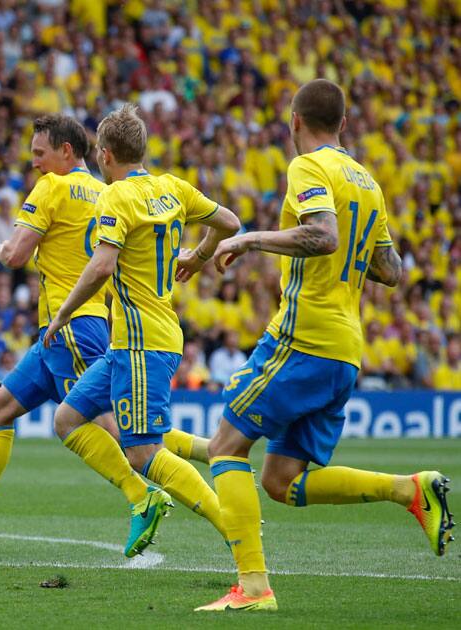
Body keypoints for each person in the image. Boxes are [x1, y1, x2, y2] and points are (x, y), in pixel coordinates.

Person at [196, 80, 454, 612]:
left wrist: (248, 239)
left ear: (295, 121)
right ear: (344, 122)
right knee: (281, 480)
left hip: (303, 337)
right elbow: (392, 270)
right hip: (345, 349)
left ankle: (252, 588)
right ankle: (409, 491)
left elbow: (325, 236)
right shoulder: (368, 182)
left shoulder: (308, 166)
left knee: (225, 448)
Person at [0, 114, 213, 547]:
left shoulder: (52, 187)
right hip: (79, 325)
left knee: (114, 426)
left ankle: (159, 483)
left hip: (70, 325)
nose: (34, 163)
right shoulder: (105, 190)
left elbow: (15, 254)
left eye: (40, 153)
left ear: (67, 151)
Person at [37, 104, 241, 555]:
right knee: (68, 419)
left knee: (144, 452)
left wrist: (63, 312)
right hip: (131, 342)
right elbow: (228, 223)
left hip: (143, 343)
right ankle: (145, 498)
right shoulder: (173, 188)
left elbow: (101, 266)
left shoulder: (115, 197)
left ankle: (235, 527)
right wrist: (199, 256)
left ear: (105, 156)